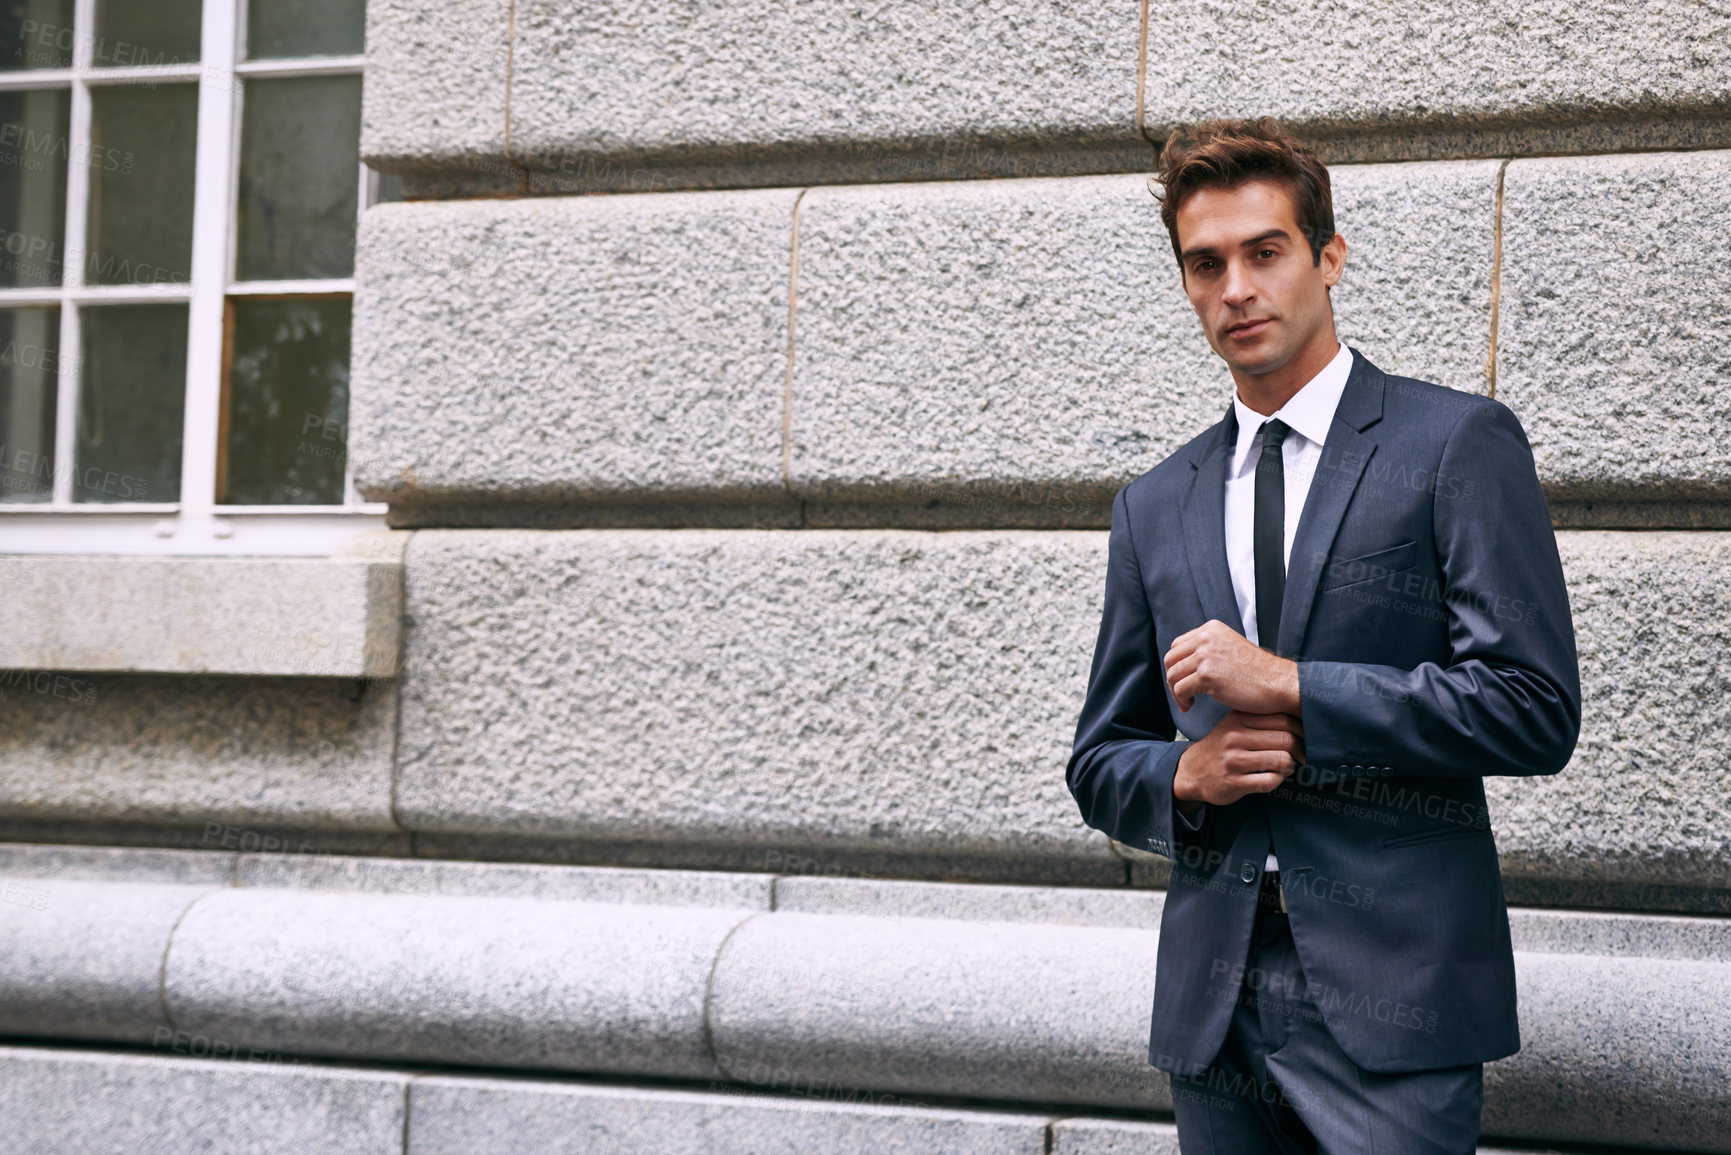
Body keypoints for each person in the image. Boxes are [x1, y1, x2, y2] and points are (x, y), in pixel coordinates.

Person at [1065, 116, 1581, 1153]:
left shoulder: (1453, 445)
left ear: (1328, 257)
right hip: (1214, 1014)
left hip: (1395, 1003)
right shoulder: (1156, 503)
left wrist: (1296, 684)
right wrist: (1183, 776)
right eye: (1205, 265)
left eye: (1266, 252)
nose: (1236, 289)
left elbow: (1533, 711)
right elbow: (1098, 759)